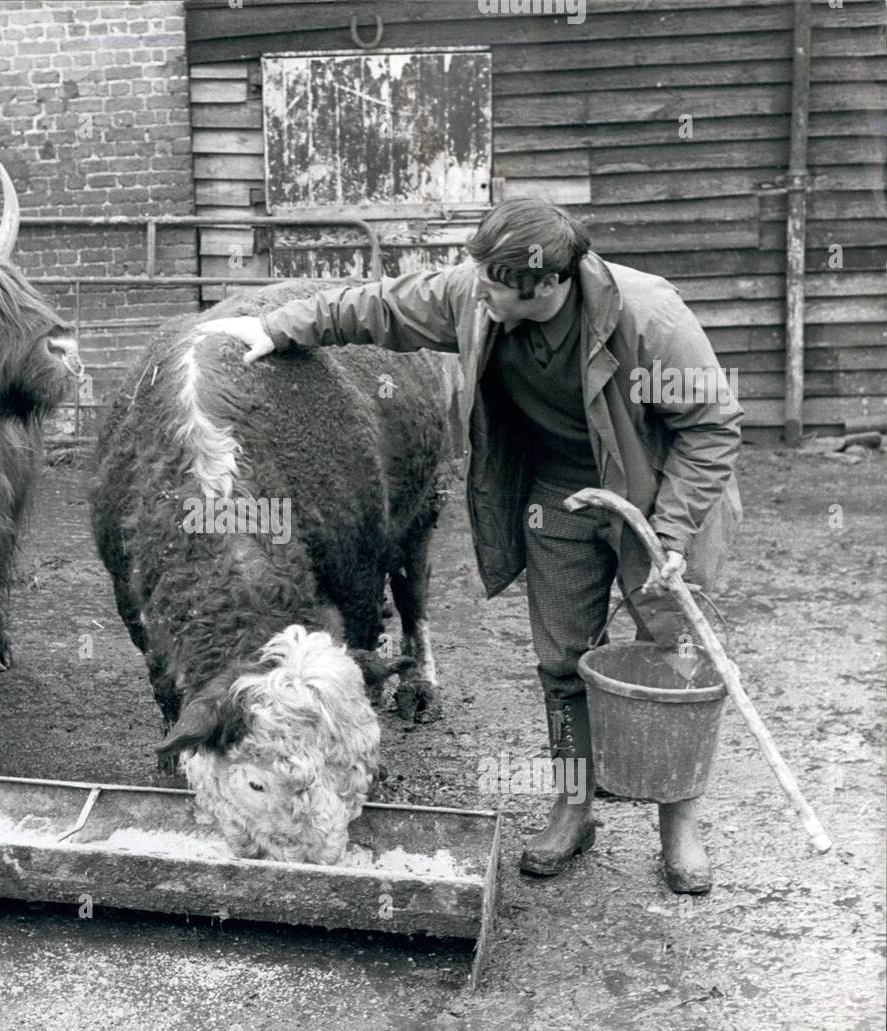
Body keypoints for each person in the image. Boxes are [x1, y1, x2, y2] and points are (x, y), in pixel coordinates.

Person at [197, 197, 743, 894]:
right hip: (560, 495)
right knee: (562, 661)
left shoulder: (651, 316)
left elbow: (712, 426)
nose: (475, 288)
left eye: (492, 282)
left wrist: (670, 531)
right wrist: (277, 325)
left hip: (660, 496)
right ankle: (573, 807)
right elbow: (382, 306)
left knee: (673, 660)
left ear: (545, 285)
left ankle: (679, 828)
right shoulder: (478, 292)